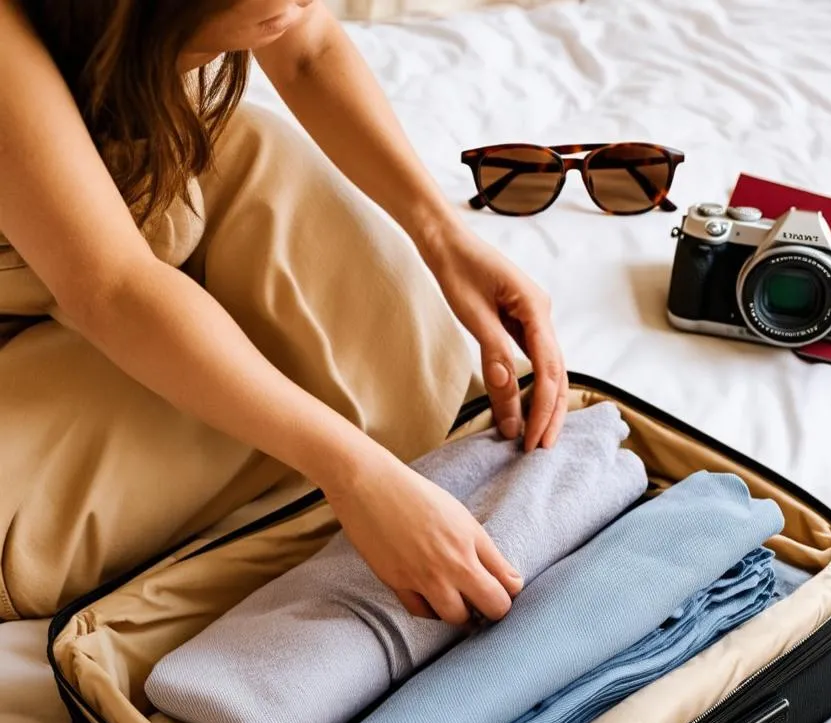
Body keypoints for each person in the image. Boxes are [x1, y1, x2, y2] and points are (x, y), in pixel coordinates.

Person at [0, 0, 568, 624]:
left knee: (423, 401)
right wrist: (352, 471)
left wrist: (443, 237)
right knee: (17, 552)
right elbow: (114, 289)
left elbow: (307, 48)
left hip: (154, 197)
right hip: (63, 297)